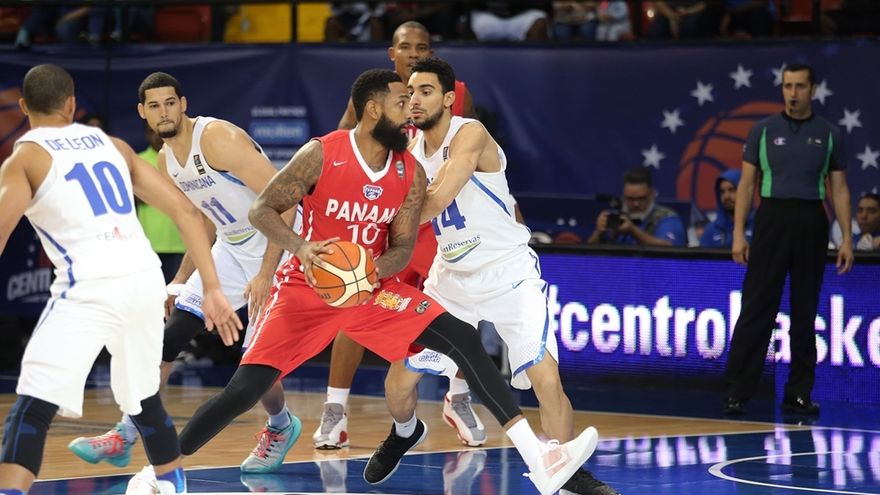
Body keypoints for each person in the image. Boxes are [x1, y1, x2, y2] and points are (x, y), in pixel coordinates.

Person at [175, 68, 599, 495]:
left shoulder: (411, 170)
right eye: (402, 101)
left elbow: (403, 245)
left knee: (463, 339)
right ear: (374, 109)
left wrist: (373, 270)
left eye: (418, 96)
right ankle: (162, 467)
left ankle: (539, 456)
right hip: (306, 288)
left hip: (372, 289)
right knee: (244, 390)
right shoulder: (322, 152)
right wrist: (301, 248)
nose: (410, 109)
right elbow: (261, 209)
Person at [376, 56, 617, 495]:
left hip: (508, 273)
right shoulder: (407, 153)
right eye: (410, 93)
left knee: (546, 378)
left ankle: (566, 473)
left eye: (426, 91)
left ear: (448, 98)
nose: (415, 100)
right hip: (451, 279)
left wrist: (393, 216)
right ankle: (406, 430)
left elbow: (438, 198)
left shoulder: (470, 133)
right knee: (398, 382)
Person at [0, 64, 241, 495]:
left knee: (34, 405)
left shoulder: (26, 157)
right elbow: (187, 212)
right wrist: (212, 288)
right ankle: (172, 484)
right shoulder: (113, 146)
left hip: (88, 285)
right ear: (72, 104)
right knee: (143, 395)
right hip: (143, 279)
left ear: (23, 106)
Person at [67, 72, 300, 475]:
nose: (164, 112)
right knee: (167, 339)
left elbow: (287, 200)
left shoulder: (218, 139)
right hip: (231, 246)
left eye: (170, 103)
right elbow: (203, 223)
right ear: (142, 112)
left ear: (184, 104)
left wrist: (266, 271)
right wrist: (178, 281)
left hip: (277, 248)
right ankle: (125, 435)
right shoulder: (166, 160)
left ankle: (281, 425)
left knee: (256, 364)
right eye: (154, 106)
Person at [318, 20, 482, 451]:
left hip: (437, 219)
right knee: (356, 298)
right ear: (392, 54)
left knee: (462, 307)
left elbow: (471, 156)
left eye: (421, 47)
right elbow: (343, 148)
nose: (414, 53)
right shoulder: (375, 96)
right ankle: (335, 408)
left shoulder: (456, 94)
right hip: (387, 219)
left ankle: (458, 397)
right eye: (406, 47)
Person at [723, 63, 854, 416]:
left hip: (811, 219)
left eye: (799, 86)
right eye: (787, 86)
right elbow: (746, 186)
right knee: (756, 306)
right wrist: (739, 233)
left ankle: (798, 393)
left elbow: (839, 189)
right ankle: (737, 391)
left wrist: (846, 239)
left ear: (813, 89)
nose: (792, 93)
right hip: (772, 218)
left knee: (805, 310)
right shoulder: (762, 130)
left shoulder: (829, 134)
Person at [135, 121, 186, 282]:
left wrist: (151, 191)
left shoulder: (182, 158)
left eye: (157, 132)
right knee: (152, 294)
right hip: (149, 244)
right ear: (146, 135)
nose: (156, 136)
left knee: (179, 294)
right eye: (151, 132)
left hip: (182, 242)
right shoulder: (138, 161)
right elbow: (132, 196)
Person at [586, 166, 686, 247]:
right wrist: (598, 233)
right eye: (630, 199)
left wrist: (633, 231)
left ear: (652, 193)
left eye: (641, 198)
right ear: (623, 195)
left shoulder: (667, 218)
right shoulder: (616, 217)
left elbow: (670, 248)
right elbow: (585, 255)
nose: (636, 204)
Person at [699, 169, 754, 248]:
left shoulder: (758, 227)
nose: (726, 196)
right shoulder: (710, 231)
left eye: (732, 190)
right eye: (722, 192)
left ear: (744, 192)